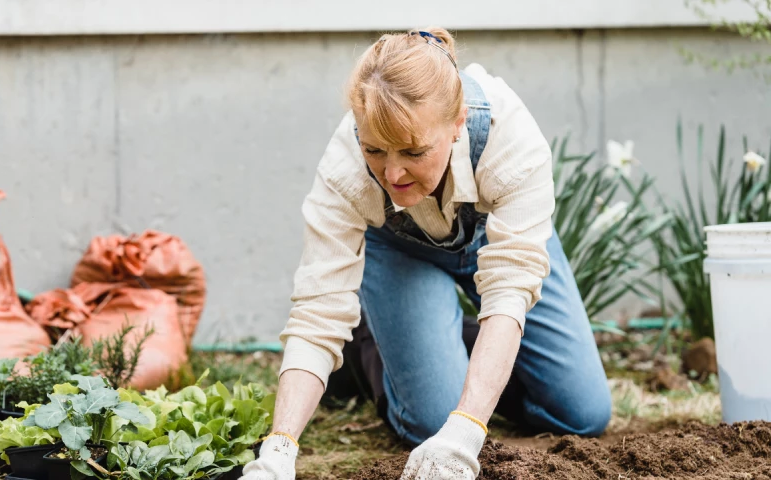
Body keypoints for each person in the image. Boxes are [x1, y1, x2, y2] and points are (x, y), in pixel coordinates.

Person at [241, 27, 612, 479]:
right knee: (433, 421)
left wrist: (470, 425)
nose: (392, 172)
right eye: (374, 148)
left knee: (583, 414)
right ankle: (369, 347)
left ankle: (443, 340)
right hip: (401, 254)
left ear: (457, 122)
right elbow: (319, 312)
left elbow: (510, 290)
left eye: (414, 151)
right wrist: (278, 451)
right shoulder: (345, 170)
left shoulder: (508, 138)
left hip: (495, 244)